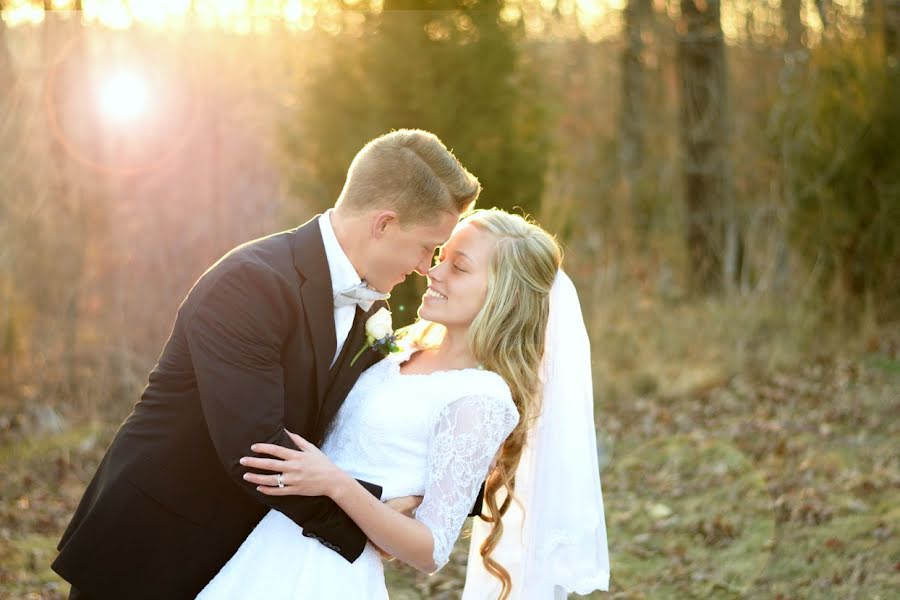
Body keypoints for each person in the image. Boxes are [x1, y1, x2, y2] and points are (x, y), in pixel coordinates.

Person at [51, 129, 481, 600]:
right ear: (383, 224)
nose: (426, 266)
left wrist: (449, 489)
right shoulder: (249, 284)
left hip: (251, 556)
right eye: (427, 246)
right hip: (155, 547)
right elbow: (255, 450)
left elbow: (381, 415)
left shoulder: (373, 306)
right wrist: (369, 522)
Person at [198, 209, 608, 600]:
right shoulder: (400, 348)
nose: (432, 271)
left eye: (458, 267)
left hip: (326, 568)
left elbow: (430, 549)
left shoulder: (480, 399)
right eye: (440, 257)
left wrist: (335, 483)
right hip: (269, 541)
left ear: (506, 296)